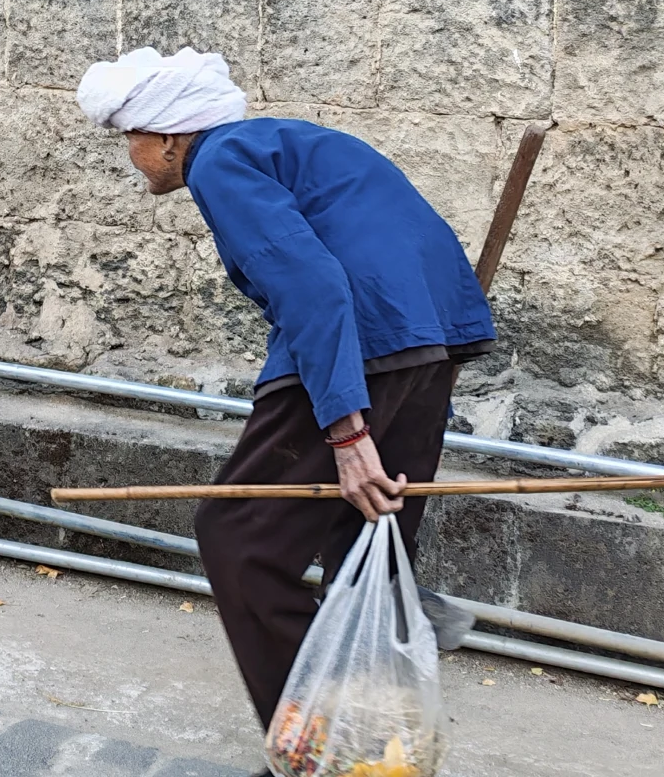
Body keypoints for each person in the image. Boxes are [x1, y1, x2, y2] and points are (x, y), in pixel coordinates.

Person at [77, 47, 493, 738]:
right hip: (430, 342)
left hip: (364, 343)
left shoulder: (220, 162)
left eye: (131, 138)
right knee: (364, 533)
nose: (132, 157)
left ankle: (320, 739)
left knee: (238, 539)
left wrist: (348, 433)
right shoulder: (286, 143)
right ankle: (382, 683)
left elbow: (315, 288)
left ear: (169, 137)